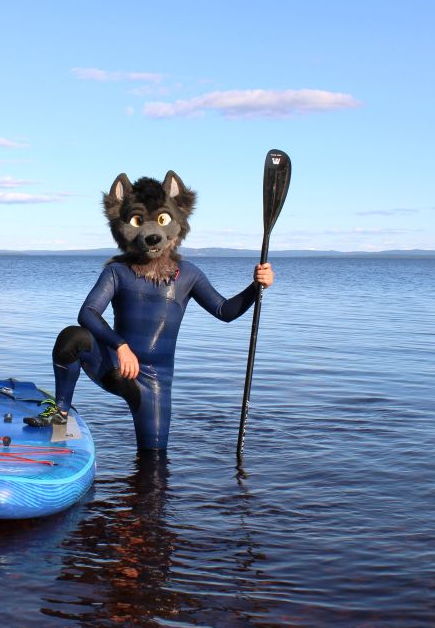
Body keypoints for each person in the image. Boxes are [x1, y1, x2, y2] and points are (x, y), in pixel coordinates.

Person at [24, 171, 275, 449]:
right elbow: (88, 313)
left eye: (162, 219)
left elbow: (224, 311)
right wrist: (120, 346)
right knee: (72, 337)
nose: (151, 232)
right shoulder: (117, 272)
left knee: (154, 463)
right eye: (138, 220)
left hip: (155, 383)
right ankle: (60, 413)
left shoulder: (188, 275)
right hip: (115, 365)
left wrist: (256, 287)